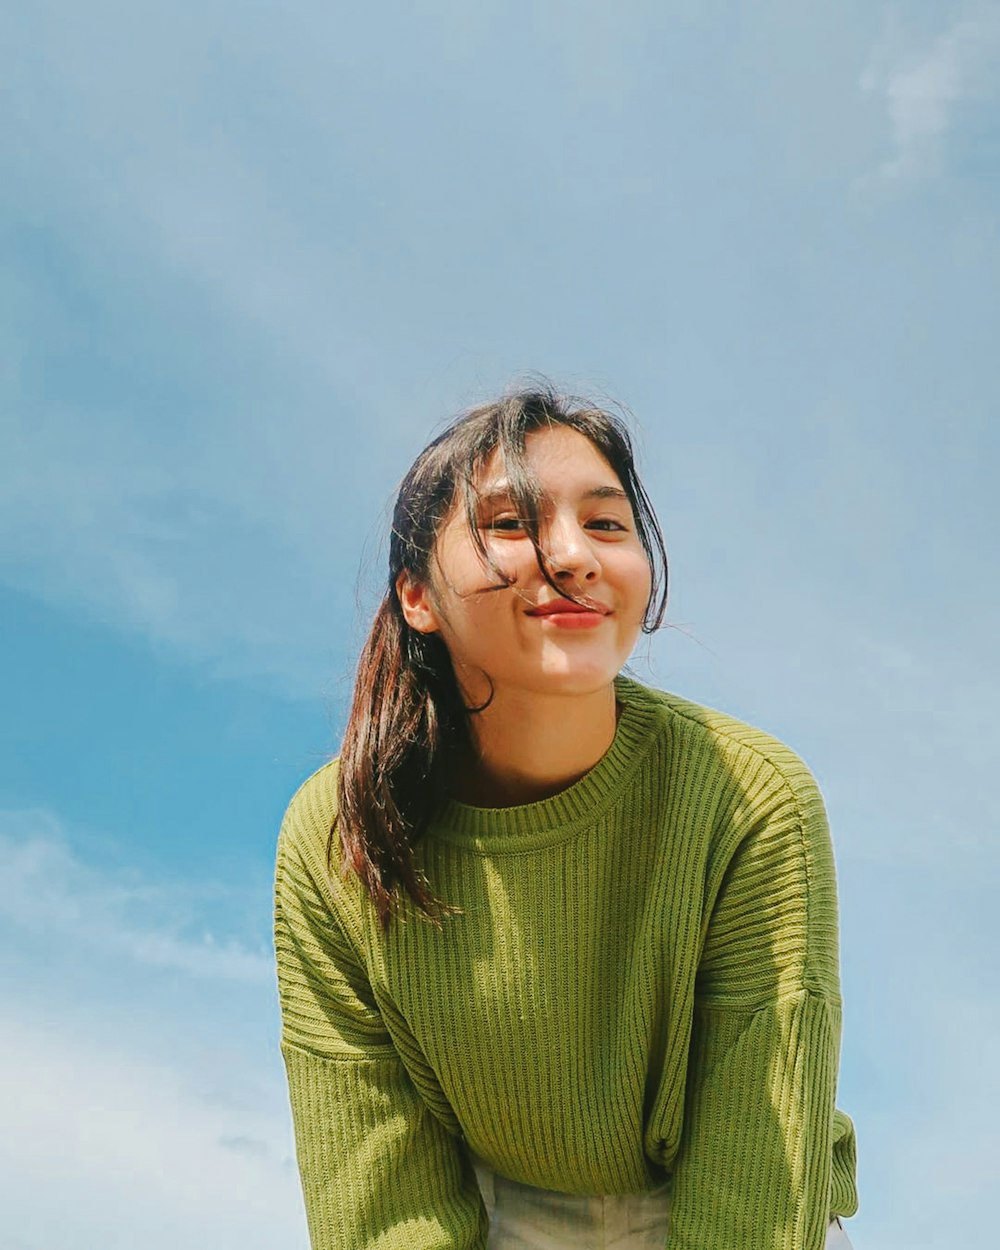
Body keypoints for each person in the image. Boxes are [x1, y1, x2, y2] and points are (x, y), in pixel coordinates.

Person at [274, 385, 860, 1249]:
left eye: (608, 525)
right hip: (496, 1208)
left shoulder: (750, 797)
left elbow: (756, 1186)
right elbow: (380, 1200)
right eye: (509, 524)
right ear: (417, 598)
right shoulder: (338, 835)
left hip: (716, 1203)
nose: (573, 555)